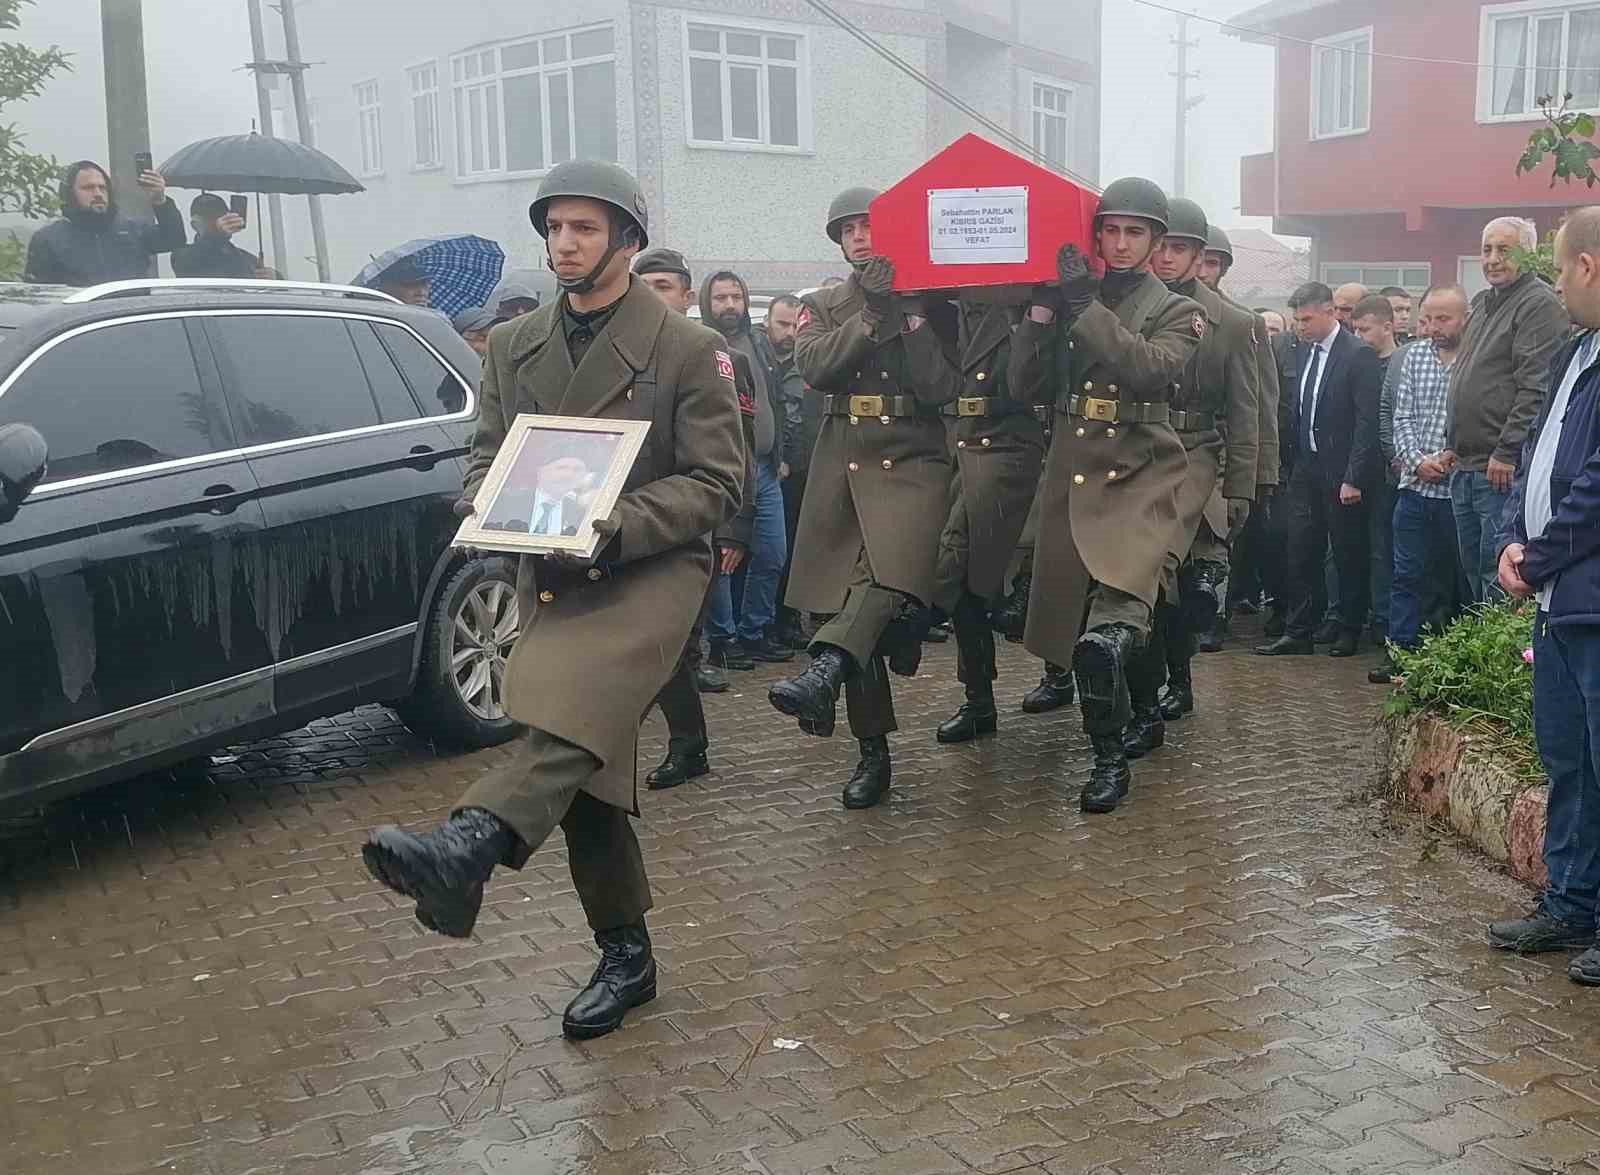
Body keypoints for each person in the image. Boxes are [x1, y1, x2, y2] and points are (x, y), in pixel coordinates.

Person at [361, 160, 744, 1041]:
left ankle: (468, 844)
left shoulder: (684, 347)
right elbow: (485, 449)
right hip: (552, 573)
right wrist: (482, 500)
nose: (563, 244)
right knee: (585, 767)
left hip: (650, 570)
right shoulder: (517, 343)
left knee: (567, 722)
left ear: (627, 238)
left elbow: (718, 481)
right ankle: (626, 953)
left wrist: (617, 520)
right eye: (554, 228)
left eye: (583, 228)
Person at [1009, 177, 1203, 813]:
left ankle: (1108, 758)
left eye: (1135, 233)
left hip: (1142, 472)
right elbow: (1024, 385)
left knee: (1113, 626)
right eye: (1111, 231)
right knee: (1080, 630)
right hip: (1074, 467)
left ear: (1155, 242)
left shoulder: (1177, 308)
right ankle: (1136, 716)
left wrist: (1083, 305)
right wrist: (1041, 312)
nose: (1120, 244)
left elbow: (1147, 368)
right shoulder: (1070, 301)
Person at [767, 186, 956, 810]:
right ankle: (872, 751)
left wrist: (910, 314)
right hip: (843, 458)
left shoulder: (931, 297)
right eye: (846, 229)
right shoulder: (820, 304)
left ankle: (828, 668)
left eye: (867, 225)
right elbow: (817, 369)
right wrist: (870, 316)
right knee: (848, 613)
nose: (858, 237)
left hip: (915, 459)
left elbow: (939, 387)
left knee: (881, 587)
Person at [1487, 206, 1600, 984]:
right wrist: (1508, 536)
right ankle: (1572, 904)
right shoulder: (1575, 349)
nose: (1556, 284)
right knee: (1570, 761)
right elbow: (1535, 451)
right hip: (1557, 599)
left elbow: (1596, 486)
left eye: (1559, 269)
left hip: (1585, 593)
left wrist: (1542, 555)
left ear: (1589, 266)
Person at [1129, 199, 1257, 746]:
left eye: (1177, 248)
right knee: (1141, 586)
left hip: (1200, 456)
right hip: (1138, 456)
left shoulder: (1232, 322)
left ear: (1200, 255)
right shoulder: (1127, 309)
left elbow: (1248, 409)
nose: (1164, 258)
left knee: (1178, 587)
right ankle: (1147, 693)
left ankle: (1176, 681)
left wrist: (1243, 487)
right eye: (1158, 246)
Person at [900, 284, 1046, 744]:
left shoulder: (1031, 303)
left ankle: (912, 622)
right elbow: (933, 387)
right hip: (955, 446)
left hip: (1013, 446)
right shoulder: (939, 313)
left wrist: (1032, 315)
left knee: (1020, 576)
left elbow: (1028, 383)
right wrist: (915, 320)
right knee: (966, 586)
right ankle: (978, 700)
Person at [1443, 216, 1570, 603]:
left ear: (1528, 254)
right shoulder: (1482, 303)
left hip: (1499, 469)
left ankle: (1504, 664)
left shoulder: (1538, 304)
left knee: (1497, 578)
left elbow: (1535, 385)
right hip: (1465, 463)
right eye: (1486, 250)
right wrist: (1452, 441)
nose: (1493, 259)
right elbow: (1470, 375)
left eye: (1504, 249)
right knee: (1473, 573)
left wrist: (1507, 450)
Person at [1257, 282, 1383, 657]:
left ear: (1330, 311)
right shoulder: (1304, 352)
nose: (1300, 326)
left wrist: (1354, 477)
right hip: (1305, 467)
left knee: (1347, 553)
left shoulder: (1358, 355)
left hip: (1341, 472)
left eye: (1306, 319)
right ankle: (1300, 631)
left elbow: (1367, 422)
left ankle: (1349, 628)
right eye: (1296, 320)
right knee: (1300, 549)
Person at [1370, 285, 1468, 685]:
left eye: (1443, 318)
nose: (1432, 327)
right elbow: (1401, 416)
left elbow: (1481, 413)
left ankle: (1456, 661)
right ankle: (1401, 654)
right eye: (1427, 318)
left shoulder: (1476, 361)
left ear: (1465, 318)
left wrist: (1448, 455)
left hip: (1458, 489)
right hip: (1415, 488)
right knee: (1406, 574)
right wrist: (1417, 461)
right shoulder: (1413, 358)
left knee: (1458, 579)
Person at [701, 270, 793, 667]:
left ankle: (756, 631)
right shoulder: (700, 346)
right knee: (722, 556)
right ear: (707, 302)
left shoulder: (758, 343)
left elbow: (773, 401)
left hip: (766, 469)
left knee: (772, 553)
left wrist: (780, 453)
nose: (730, 306)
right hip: (723, 467)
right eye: (721, 298)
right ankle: (724, 640)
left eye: (736, 297)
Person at [1202, 229, 1281, 661]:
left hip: (1221, 449)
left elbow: (1262, 403)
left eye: (1214, 263)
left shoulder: (1242, 323)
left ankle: (1213, 618)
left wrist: (1261, 475)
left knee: (1217, 538)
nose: (1204, 270)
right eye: (1202, 260)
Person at [24, 160, 185, 287]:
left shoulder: (133, 230)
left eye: (103, 187)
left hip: (131, 321)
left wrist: (160, 200)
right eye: (88, 188)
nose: (98, 193)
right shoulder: (48, 240)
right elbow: (40, 295)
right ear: (69, 193)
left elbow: (174, 239)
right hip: (81, 325)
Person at [764, 293, 817, 651]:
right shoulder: (759, 360)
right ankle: (767, 623)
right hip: (771, 468)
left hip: (805, 469)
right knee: (769, 552)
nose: (788, 332)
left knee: (798, 548)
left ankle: (789, 619)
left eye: (793, 325)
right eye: (781, 324)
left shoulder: (811, 362)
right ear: (767, 322)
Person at [1351, 294, 1402, 645]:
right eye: (1355, 329)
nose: (1359, 336)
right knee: (1368, 548)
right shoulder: (1357, 362)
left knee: (1388, 549)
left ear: (1388, 326)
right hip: (1363, 473)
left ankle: (1387, 621)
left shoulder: (1405, 363)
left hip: (1396, 471)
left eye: (1365, 329)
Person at [170, 194, 255, 279]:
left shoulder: (249, 259)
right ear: (195, 225)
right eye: (211, 218)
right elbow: (187, 267)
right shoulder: (182, 256)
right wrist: (216, 235)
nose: (218, 223)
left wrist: (265, 279)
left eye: (222, 216)